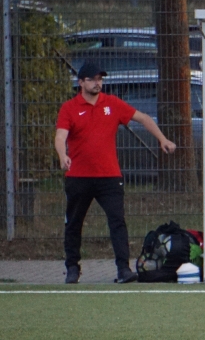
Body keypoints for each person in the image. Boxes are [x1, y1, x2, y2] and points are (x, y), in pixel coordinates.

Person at [55, 62, 176, 284]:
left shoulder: (112, 103)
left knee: (117, 221)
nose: (97, 83)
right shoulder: (69, 108)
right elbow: (61, 136)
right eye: (92, 79)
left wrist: (163, 139)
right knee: (73, 223)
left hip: (109, 177)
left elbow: (143, 118)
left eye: (100, 79)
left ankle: (123, 269)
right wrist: (63, 156)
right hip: (78, 177)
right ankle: (72, 268)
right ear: (81, 82)